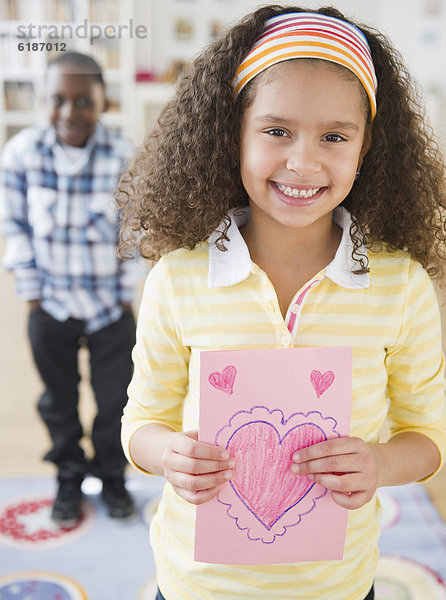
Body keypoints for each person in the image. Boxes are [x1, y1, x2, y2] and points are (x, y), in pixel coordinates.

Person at [117, 5, 446, 600]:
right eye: (276, 130)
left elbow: (428, 437)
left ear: (367, 145)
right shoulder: (178, 278)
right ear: (233, 134)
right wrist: (171, 455)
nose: (303, 161)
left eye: (334, 136)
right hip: (197, 584)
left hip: (338, 585)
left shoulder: (401, 287)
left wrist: (380, 464)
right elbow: (141, 423)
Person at [1, 51, 141, 525]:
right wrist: (31, 288)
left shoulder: (124, 156)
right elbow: (15, 226)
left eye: (84, 100)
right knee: (57, 399)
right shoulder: (21, 154)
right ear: (44, 101)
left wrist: (126, 293)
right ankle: (68, 474)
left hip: (109, 309)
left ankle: (112, 475)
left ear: (104, 101)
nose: (69, 111)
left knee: (114, 400)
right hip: (51, 307)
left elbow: (134, 232)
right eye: (58, 100)